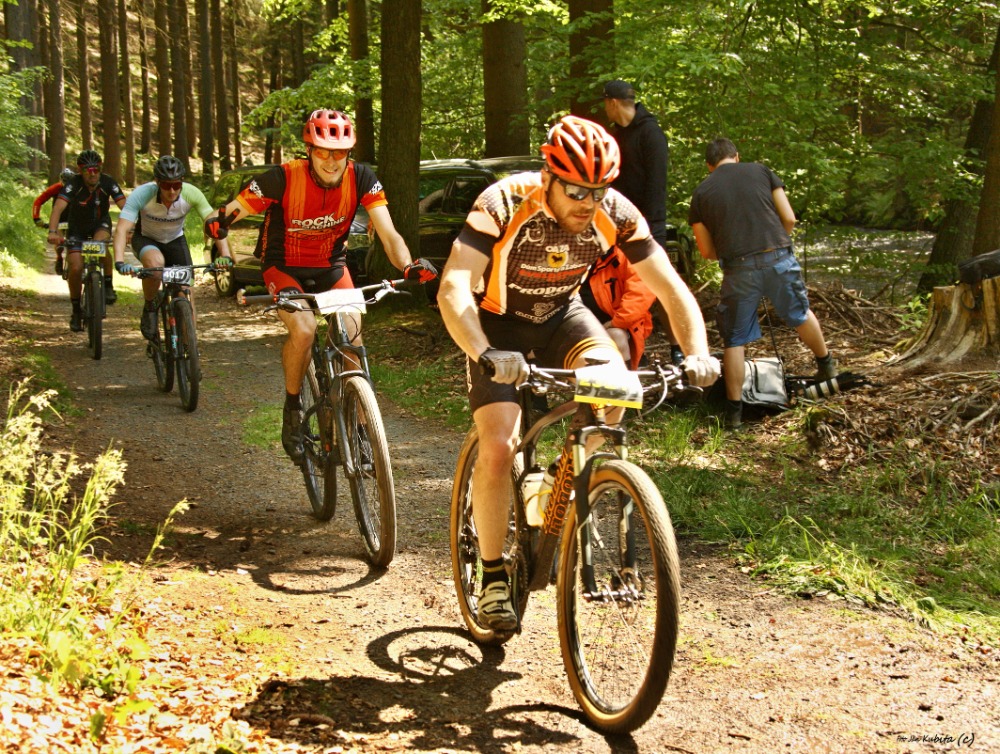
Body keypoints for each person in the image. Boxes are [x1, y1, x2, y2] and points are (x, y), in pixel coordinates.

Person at [437, 115, 720, 632]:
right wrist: (483, 351)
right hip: (496, 324)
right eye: (575, 190)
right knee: (499, 444)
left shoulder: (616, 213)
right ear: (548, 176)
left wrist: (697, 352)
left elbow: (670, 287)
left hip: (562, 316)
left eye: (597, 191)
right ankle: (493, 573)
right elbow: (454, 286)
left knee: (615, 392)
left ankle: (564, 481)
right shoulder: (502, 202)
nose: (587, 203)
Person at [204, 109, 436, 465]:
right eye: (323, 151)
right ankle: (293, 408)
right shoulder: (282, 178)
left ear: (349, 153)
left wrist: (408, 265)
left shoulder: (362, 178)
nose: (331, 161)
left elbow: (389, 234)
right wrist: (217, 223)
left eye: (339, 153)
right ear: (309, 150)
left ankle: (362, 431)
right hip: (283, 268)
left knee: (352, 340)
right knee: (304, 329)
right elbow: (231, 211)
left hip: (330, 268)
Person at [688, 137, 837, 431]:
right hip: (778, 256)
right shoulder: (761, 171)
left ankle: (734, 415)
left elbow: (706, 251)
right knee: (799, 313)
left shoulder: (701, 192)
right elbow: (789, 218)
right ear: (736, 156)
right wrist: (771, 245)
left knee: (735, 339)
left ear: (709, 165)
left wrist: (735, 251)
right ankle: (826, 366)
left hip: (739, 268)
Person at [602, 78, 683, 364]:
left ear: (613, 102)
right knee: (620, 289)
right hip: (616, 227)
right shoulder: (615, 136)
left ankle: (678, 349)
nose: (605, 109)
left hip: (649, 226)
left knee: (660, 287)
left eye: (605, 103)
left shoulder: (651, 134)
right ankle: (635, 348)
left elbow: (657, 187)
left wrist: (651, 231)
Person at [113, 155, 233, 339]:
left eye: (176, 185)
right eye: (166, 185)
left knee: (186, 293)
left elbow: (213, 224)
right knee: (156, 265)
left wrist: (225, 255)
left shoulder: (191, 193)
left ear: (182, 182)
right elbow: (122, 229)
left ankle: (189, 348)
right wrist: (120, 261)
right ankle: (150, 307)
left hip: (175, 240)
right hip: (146, 239)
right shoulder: (142, 194)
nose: (171, 191)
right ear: (157, 182)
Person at [47, 150, 127, 331]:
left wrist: (130, 229)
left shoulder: (108, 182)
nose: (92, 174)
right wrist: (53, 232)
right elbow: (58, 208)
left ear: (100, 169)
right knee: (75, 267)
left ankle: (108, 285)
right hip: (77, 228)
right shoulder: (73, 184)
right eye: (87, 170)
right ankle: (76, 309)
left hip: (100, 224)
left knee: (101, 246)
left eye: (96, 169)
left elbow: (125, 207)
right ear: (80, 171)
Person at [579, 246, 656, 369]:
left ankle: (628, 378)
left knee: (617, 336)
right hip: (573, 326)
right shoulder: (567, 258)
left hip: (613, 324)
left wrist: (615, 323)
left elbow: (640, 294)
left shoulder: (626, 254)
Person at [33, 167, 78, 276]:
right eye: (65, 182)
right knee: (59, 241)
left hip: (74, 218)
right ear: (61, 180)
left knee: (76, 240)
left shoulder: (78, 188)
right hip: (59, 218)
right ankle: (59, 258)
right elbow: (38, 201)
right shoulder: (56, 188)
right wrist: (36, 217)